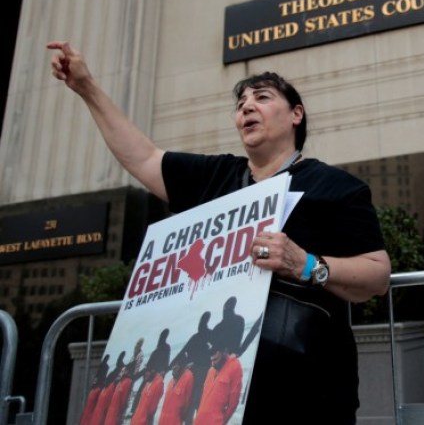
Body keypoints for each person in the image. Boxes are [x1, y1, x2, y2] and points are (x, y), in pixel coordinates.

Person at [49, 42, 392, 424]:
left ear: (297, 114)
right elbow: (143, 157)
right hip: (214, 404)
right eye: (241, 102)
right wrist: (87, 88)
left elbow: (377, 275)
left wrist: (306, 263)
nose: (246, 106)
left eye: (262, 97)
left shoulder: (335, 187)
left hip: (308, 394)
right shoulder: (215, 177)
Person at [159, 351, 195, 425]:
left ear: (182, 366)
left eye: (176, 365)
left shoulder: (188, 377)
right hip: (163, 420)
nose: (174, 367)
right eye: (173, 365)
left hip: (175, 420)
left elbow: (187, 402)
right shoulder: (171, 381)